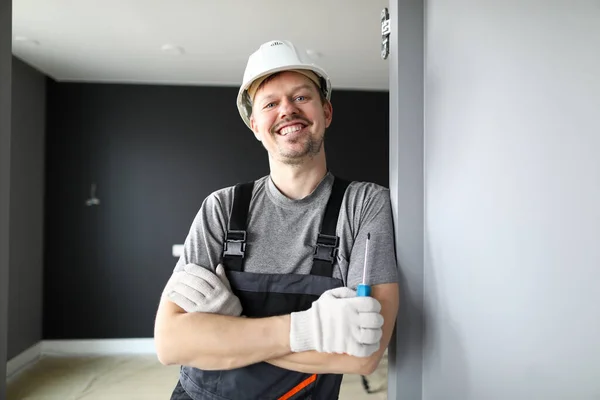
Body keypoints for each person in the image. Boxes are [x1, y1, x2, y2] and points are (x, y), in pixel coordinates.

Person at [153, 39, 400, 400]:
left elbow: (364, 355)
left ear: (326, 112)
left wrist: (229, 332)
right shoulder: (220, 208)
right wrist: (307, 330)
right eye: (271, 103)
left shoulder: (363, 205)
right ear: (255, 125)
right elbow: (171, 343)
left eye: (301, 97)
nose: (287, 111)